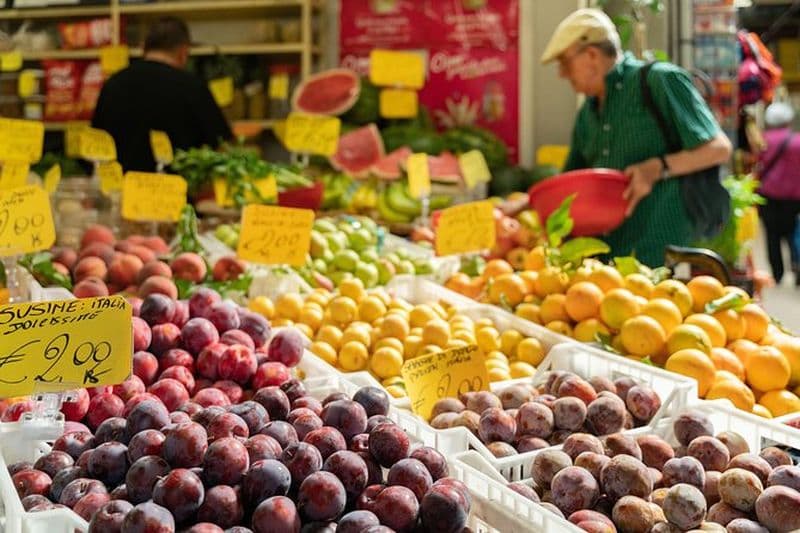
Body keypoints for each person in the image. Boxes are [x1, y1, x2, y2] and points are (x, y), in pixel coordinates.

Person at [541, 9, 732, 267]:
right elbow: (569, 183)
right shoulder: (588, 113)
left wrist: (657, 168)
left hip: (664, 257)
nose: (561, 74)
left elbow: (719, 148)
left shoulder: (659, 80)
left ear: (592, 56)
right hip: (608, 260)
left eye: (564, 62)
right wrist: (524, 204)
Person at [92, 17, 232, 172]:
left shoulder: (113, 84)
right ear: (183, 52)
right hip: (179, 191)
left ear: (144, 49)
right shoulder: (193, 87)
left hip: (120, 192)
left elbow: (95, 143)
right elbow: (220, 144)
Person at [757, 102, 800, 285]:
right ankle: (797, 266)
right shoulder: (797, 141)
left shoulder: (763, 140)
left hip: (769, 196)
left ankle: (777, 273)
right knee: (793, 232)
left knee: (772, 235)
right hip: (794, 197)